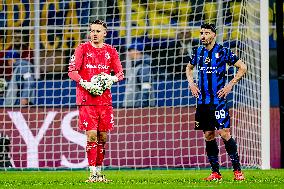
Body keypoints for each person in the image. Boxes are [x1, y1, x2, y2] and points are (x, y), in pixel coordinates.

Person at [186, 23, 247, 181]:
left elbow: (243, 67)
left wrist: (230, 85)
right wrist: (192, 84)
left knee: (224, 133)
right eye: (201, 33)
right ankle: (215, 173)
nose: (203, 36)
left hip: (218, 101)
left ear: (213, 35)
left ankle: (238, 171)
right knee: (208, 135)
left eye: (206, 33)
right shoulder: (198, 52)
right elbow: (188, 68)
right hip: (203, 102)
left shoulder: (224, 51)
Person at [68, 20, 124, 182]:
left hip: (104, 100)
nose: (94, 34)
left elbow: (120, 74)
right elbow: (72, 71)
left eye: (98, 31)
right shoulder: (82, 49)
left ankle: (99, 173)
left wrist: (111, 79)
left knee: (103, 137)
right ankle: (92, 173)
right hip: (86, 99)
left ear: (105, 33)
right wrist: (85, 82)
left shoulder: (111, 51)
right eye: (92, 30)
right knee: (91, 135)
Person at [123, 43, 155, 108]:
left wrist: (142, 105)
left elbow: (146, 87)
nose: (128, 53)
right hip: (132, 106)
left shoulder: (144, 67)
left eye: (130, 50)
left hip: (138, 108)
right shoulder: (136, 67)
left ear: (137, 51)